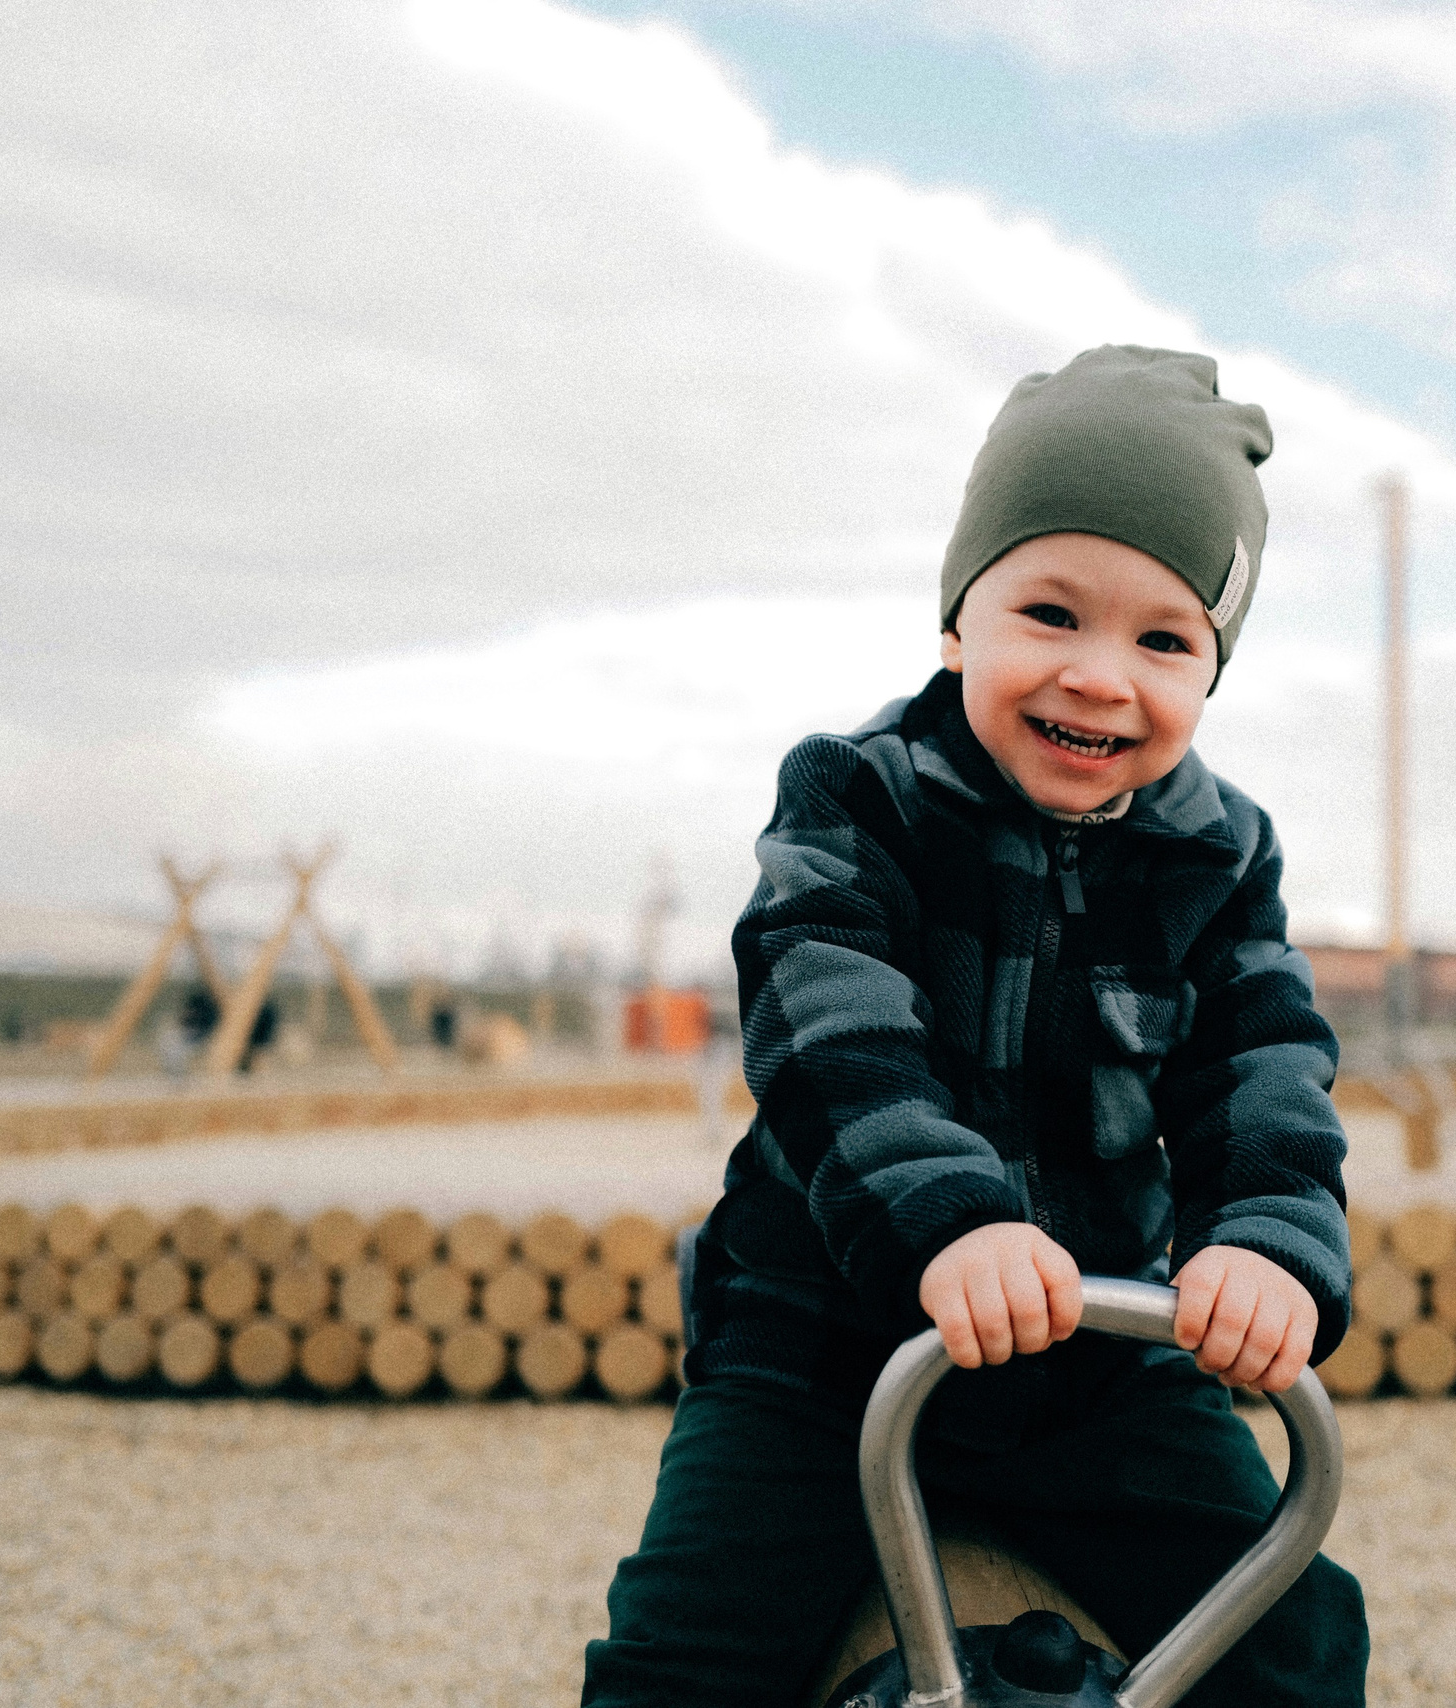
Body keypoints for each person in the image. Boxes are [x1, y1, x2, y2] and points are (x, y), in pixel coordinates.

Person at [583, 346, 1366, 1707]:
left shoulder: (1219, 853)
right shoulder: (859, 798)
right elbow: (830, 1026)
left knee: (1293, 1638)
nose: (1101, 677)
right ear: (958, 623)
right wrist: (955, 1220)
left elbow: (1264, 1064)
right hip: (830, 1346)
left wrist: (1265, 1243)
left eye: (1164, 639)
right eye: (1051, 613)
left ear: (1212, 673)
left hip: (1096, 1365)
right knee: (682, 1660)